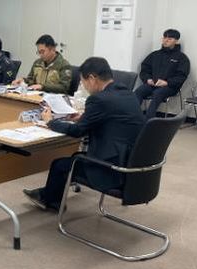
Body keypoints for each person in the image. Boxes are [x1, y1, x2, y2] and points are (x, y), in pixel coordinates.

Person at [23, 57, 145, 211]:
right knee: (75, 157)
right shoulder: (128, 94)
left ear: (92, 79)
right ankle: (49, 195)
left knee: (60, 164)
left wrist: (50, 122)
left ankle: (51, 201)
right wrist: (85, 118)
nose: (84, 87)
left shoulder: (98, 99)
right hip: (132, 164)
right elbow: (112, 119)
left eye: (83, 82)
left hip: (110, 170)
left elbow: (77, 131)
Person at [134, 29, 190, 118]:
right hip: (153, 84)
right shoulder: (155, 55)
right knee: (139, 91)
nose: (166, 40)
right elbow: (145, 69)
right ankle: (133, 117)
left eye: (170, 38)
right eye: (164, 37)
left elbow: (181, 76)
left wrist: (167, 82)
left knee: (158, 93)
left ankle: (149, 119)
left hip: (170, 87)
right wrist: (147, 79)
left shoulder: (182, 58)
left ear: (176, 41)